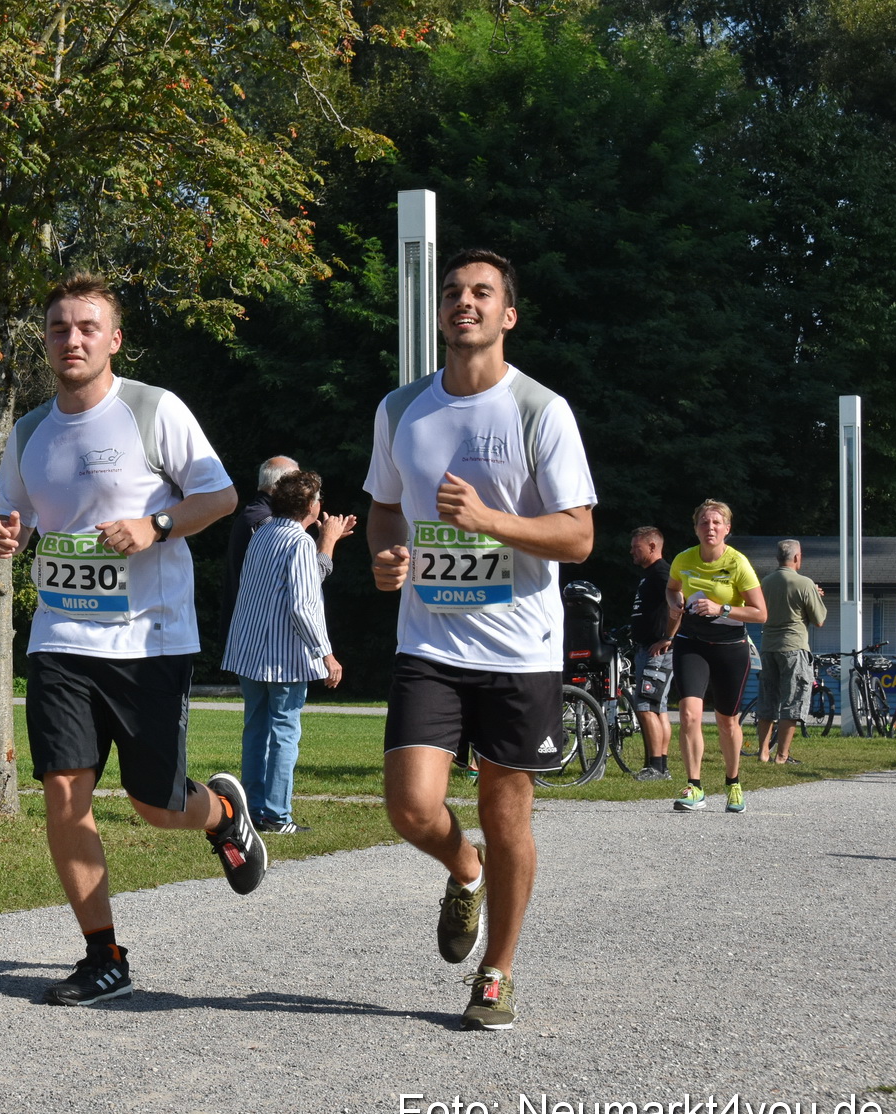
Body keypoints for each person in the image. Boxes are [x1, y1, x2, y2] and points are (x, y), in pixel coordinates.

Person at [0, 271, 256, 1008]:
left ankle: (223, 814)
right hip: (62, 637)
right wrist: (8, 532)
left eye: (85, 327)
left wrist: (156, 525)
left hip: (150, 639)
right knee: (64, 797)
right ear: (45, 340)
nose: (70, 339)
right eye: (58, 328)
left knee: (155, 803)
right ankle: (103, 954)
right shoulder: (30, 431)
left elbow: (223, 495)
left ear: (113, 339)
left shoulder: (153, 411)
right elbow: (16, 517)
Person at [365, 248, 596, 1031]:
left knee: (507, 815)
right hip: (429, 639)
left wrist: (490, 520)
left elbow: (578, 536)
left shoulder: (540, 410)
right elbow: (386, 507)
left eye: (482, 293)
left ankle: (496, 971)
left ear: (508, 315)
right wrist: (384, 553)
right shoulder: (401, 410)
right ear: (441, 311)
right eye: (454, 292)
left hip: (519, 648)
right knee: (409, 804)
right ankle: (462, 869)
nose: (466, 302)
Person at [222, 469, 355, 833]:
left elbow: (300, 580)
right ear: (312, 506)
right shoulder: (297, 541)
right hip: (282, 657)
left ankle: (252, 807)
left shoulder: (263, 532)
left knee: (256, 730)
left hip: (249, 650)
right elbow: (302, 604)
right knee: (284, 733)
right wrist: (325, 653)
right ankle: (277, 815)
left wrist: (327, 541)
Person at [664, 500, 768, 813]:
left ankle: (733, 783)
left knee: (726, 721)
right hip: (691, 642)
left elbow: (761, 613)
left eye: (716, 523)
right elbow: (671, 587)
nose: (710, 528)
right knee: (689, 715)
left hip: (730, 648)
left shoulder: (738, 563)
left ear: (727, 529)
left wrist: (722, 608)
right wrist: (674, 601)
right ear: (695, 528)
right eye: (704, 523)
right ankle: (694, 787)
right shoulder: (684, 558)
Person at [219, 457, 348, 644]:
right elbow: (305, 584)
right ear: (284, 485)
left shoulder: (254, 515)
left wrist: (325, 538)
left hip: (249, 637)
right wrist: (328, 541)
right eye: (297, 481)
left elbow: (293, 571)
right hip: (266, 643)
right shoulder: (268, 523)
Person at [756, 539, 826, 765]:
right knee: (793, 702)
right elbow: (819, 619)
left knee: (768, 701)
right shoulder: (804, 583)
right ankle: (782, 755)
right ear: (796, 557)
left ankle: (763, 752)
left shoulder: (765, 582)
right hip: (794, 647)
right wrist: (815, 595)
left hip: (768, 647)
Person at [628, 527, 676, 780]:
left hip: (657, 651)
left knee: (646, 706)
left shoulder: (661, 573)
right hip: (647, 649)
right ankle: (661, 765)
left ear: (652, 547)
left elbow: (679, 604)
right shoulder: (649, 575)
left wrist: (667, 637)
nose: (632, 551)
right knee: (658, 708)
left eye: (636, 547)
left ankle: (656, 768)